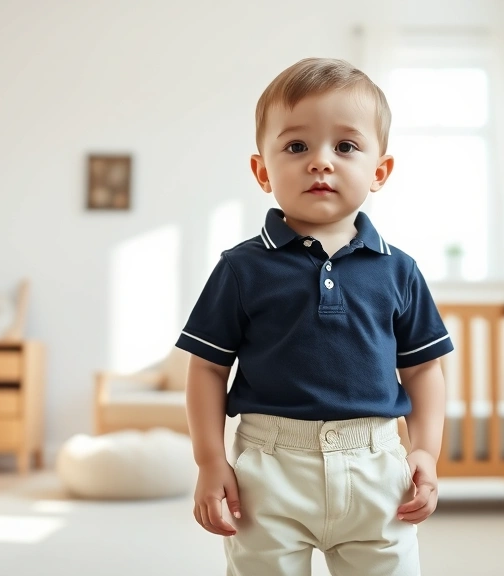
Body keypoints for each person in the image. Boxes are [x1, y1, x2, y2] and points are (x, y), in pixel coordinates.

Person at [175, 57, 453, 576]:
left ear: (380, 171)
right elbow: (207, 369)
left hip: (376, 465)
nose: (320, 162)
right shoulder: (241, 268)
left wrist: (427, 451)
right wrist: (211, 461)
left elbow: (422, 370)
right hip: (269, 469)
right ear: (262, 170)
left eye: (345, 146)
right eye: (297, 146)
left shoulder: (399, 270)